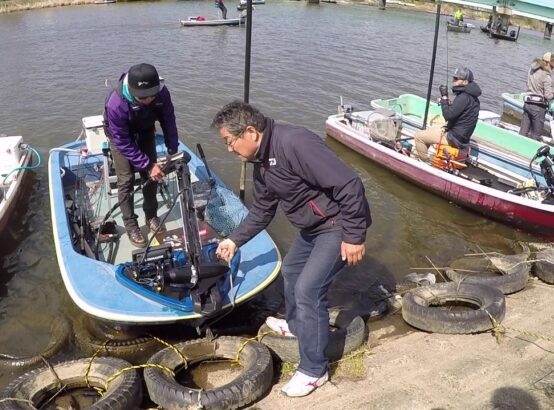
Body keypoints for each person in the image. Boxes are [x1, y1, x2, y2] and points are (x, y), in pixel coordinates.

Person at [212, 102, 371, 397]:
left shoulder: (294, 142)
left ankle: (314, 370)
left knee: (309, 290)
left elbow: (349, 184)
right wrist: (234, 240)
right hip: (313, 227)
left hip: (337, 224)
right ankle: (298, 326)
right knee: (291, 270)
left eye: (230, 142)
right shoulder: (261, 163)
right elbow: (261, 211)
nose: (230, 150)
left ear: (250, 132)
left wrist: (354, 235)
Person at [104, 63, 179, 247]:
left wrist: (172, 146)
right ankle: (131, 225)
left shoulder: (161, 92)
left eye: (152, 96)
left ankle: (151, 216)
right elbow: (122, 142)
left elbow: (168, 118)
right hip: (120, 137)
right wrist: (148, 164)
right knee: (126, 179)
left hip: (146, 130)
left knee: (152, 177)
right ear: (131, 91)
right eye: (142, 98)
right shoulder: (116, 104)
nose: (148, 100)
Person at [413, 67, 481, 162]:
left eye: (456, 79)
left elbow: (448, 115)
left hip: (454, 138)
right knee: (430, 130)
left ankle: (425, 162)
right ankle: (419, 154)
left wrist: (444, 98)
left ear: (465, 82)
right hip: (462, 137)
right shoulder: (474, 98)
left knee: (418, 136)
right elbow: (459, 114)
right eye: (453, 78)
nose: (453, 81)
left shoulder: (463, 97)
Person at [520, 52, 554, 141]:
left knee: (523, 132)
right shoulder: (546, 76)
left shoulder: (531, 70)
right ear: (550, 63)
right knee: (536, 134)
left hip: (527, 104)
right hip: (538, 108)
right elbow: (548, 96)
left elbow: (527, 84)